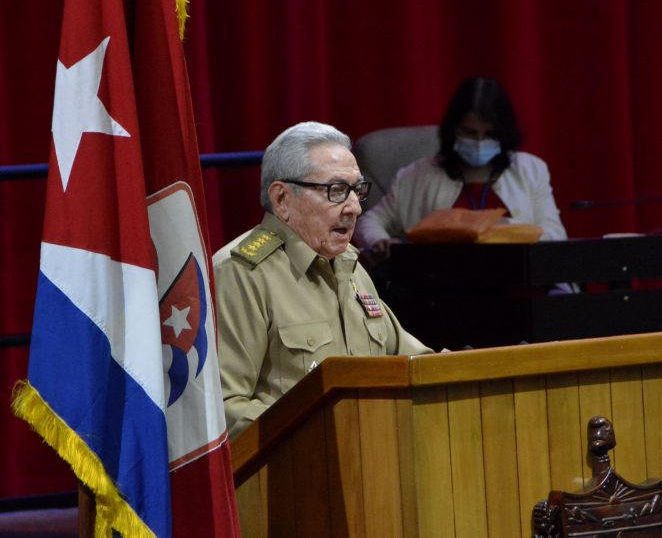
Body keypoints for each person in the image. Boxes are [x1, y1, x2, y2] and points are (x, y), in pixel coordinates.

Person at [213, 121, 432, 438]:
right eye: (336, 191)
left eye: (357, 190)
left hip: (372, 457)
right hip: (296, 465)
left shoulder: (349, 265)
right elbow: (225, 410)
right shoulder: (240, 274)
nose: (355, 208)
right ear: (282, 199)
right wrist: (333, 430)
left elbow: (411, 362)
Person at [353, 76, 567, 259]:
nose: (479, 142)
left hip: (518, 282)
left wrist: (512, 233)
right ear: (453, 129)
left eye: (490, 135)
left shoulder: (531, 170)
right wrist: (381, 241)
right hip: (441, 285)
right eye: (470, 133)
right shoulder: (416, 174)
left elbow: (555, 234)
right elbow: (369, 222)